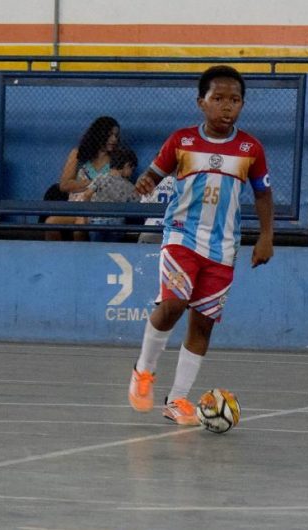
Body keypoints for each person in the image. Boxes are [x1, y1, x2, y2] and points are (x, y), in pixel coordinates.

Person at [127, 65, 274, 425]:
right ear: (201, 103)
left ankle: (177, 400)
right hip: (182, 237)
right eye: (218, 99)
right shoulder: (181, 141)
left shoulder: (250, 148)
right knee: (174, 303)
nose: (227, 107)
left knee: (203, 325)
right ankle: (143, 371)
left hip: (223, 248)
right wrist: (145, 182)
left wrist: (266, 236)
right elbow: (153, 174)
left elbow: (263, 194)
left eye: (234, 100)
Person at [44, 116, 121, 240]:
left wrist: (82, 185)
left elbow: (118, 187)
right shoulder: (78, 154)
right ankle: (55, 257)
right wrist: (95, 183)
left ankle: (81, 257)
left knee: (81, 223)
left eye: (116, 136)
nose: (114, 139)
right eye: (110, 135)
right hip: (76, 208)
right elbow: (65, 185)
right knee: (50, 223)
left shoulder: (117, 159)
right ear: (99, 134)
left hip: (101, 211)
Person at [83, 146, 140, 242]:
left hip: (97, 221)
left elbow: (87, 194)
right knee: (113, 247)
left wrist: (86, 217)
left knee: (96, 247)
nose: (131, 173)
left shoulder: (100, 178)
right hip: (116, 224)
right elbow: (137, 203)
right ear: (127, 165)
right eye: (132, 169)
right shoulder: (129, 186)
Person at [136, 175, 175, 244]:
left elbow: (143, 207)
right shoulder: (186, 181)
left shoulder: (152, 179)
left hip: (151, 228)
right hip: (174, 230)